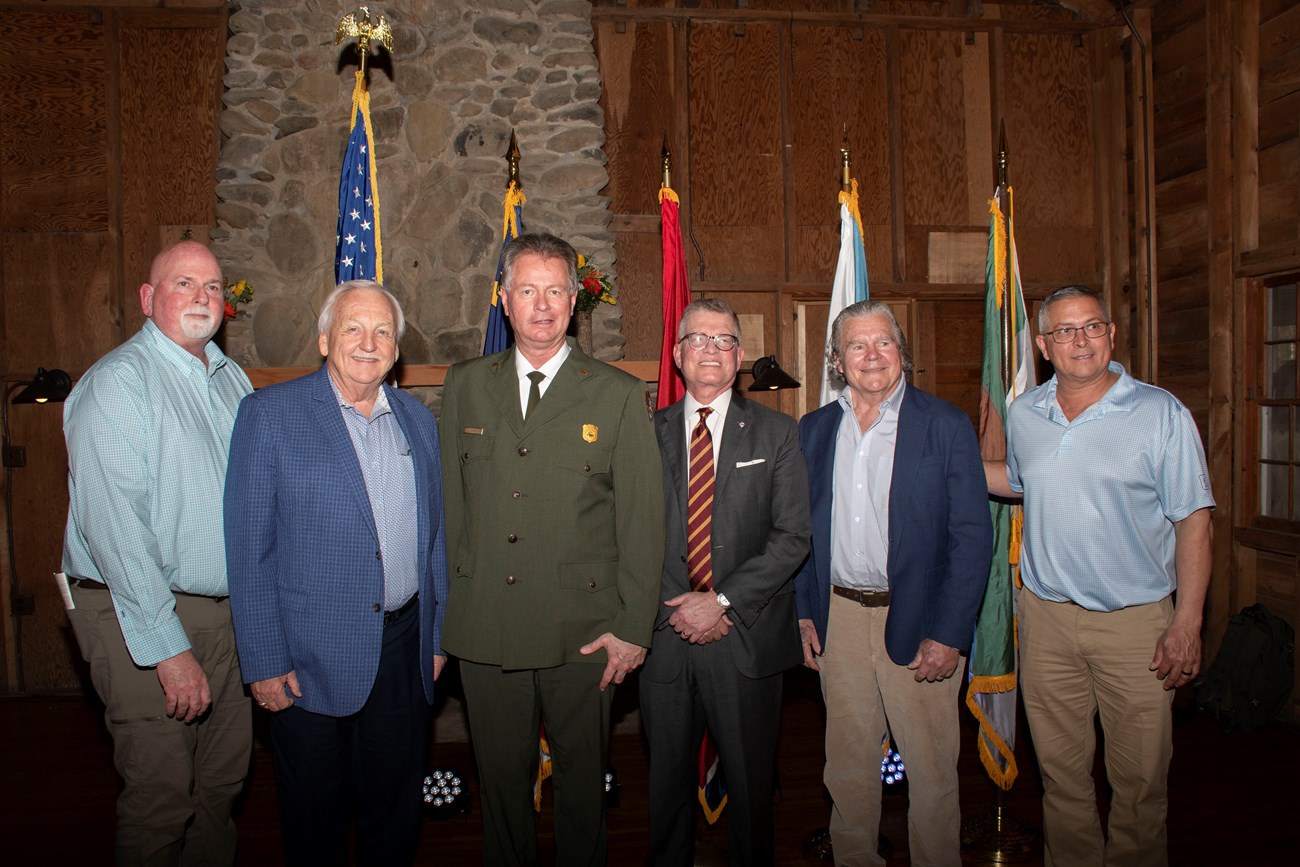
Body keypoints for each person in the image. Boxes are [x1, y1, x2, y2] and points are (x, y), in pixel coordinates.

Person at [439, 232, 664, 866]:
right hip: (488, 629)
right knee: (502, 792)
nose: (542, 305)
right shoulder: (464, 386)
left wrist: (633, 628)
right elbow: (452, 510)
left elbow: (643, 521)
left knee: (582, 792)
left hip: (586, 635)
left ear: (575, 301)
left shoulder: (618, 394)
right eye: (527, 290)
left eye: (556, 290)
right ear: (503, 300)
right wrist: (448, 619)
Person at [986, 284, 1214, 867]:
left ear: (1111, 334)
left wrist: (1187, 623)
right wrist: (932, 458)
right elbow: (1019, 481)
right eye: (1064, 331)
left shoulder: (1160, 413)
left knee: (1139, 788)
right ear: (1043, 345)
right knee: (1061, 783)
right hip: (1046, 623)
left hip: (1136, 628)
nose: (1080, 340)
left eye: (1091, 326)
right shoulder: (1026, 412)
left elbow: (1194, 521)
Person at [224, 280, 448, 865]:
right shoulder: (268, 416)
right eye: (353, 328)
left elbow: (437, 540)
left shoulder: (421, 425)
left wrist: (437, 637)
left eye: (383, 332)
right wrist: (264, 661)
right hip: (307, 662)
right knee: (314, 821)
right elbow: (250, 550)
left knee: (394, 813)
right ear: (325, 340)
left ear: (397, 350)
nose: (368, 343)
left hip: (404, 650)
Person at [62, 240, 253, 865]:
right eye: (184, 284)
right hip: (140, 612)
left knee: (220, 788)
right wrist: (167, 649)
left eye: (214, 287)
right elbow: (115, 529)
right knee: (163, 796)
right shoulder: (117, 385)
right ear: (148, 300)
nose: (202, 297)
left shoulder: (231, 382)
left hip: (226, 616)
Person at [794, 300, 992, 867]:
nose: (872, 355)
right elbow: (800, 532)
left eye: (884, 342)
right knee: (848, 767)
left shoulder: (945, 424)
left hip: (922, 618)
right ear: (837, 359)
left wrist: (950, 632)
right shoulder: (814, 430)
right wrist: (805, 612)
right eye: (857, 345)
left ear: (902, 352)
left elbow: (972, 538)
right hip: (841, 618)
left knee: (930, 771)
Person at [642, 298, 811, 866]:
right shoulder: (645, 432)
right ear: (677, 354)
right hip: (665, 639)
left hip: (745, 636)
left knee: (750, 790)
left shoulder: (778, 433)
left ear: (739, 356)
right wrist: (678, 610)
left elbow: (792, 537)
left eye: (722, 341)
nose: (710, 349)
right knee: (665, 789)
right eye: (698, 339)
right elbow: (630, 535)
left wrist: (718, 602)